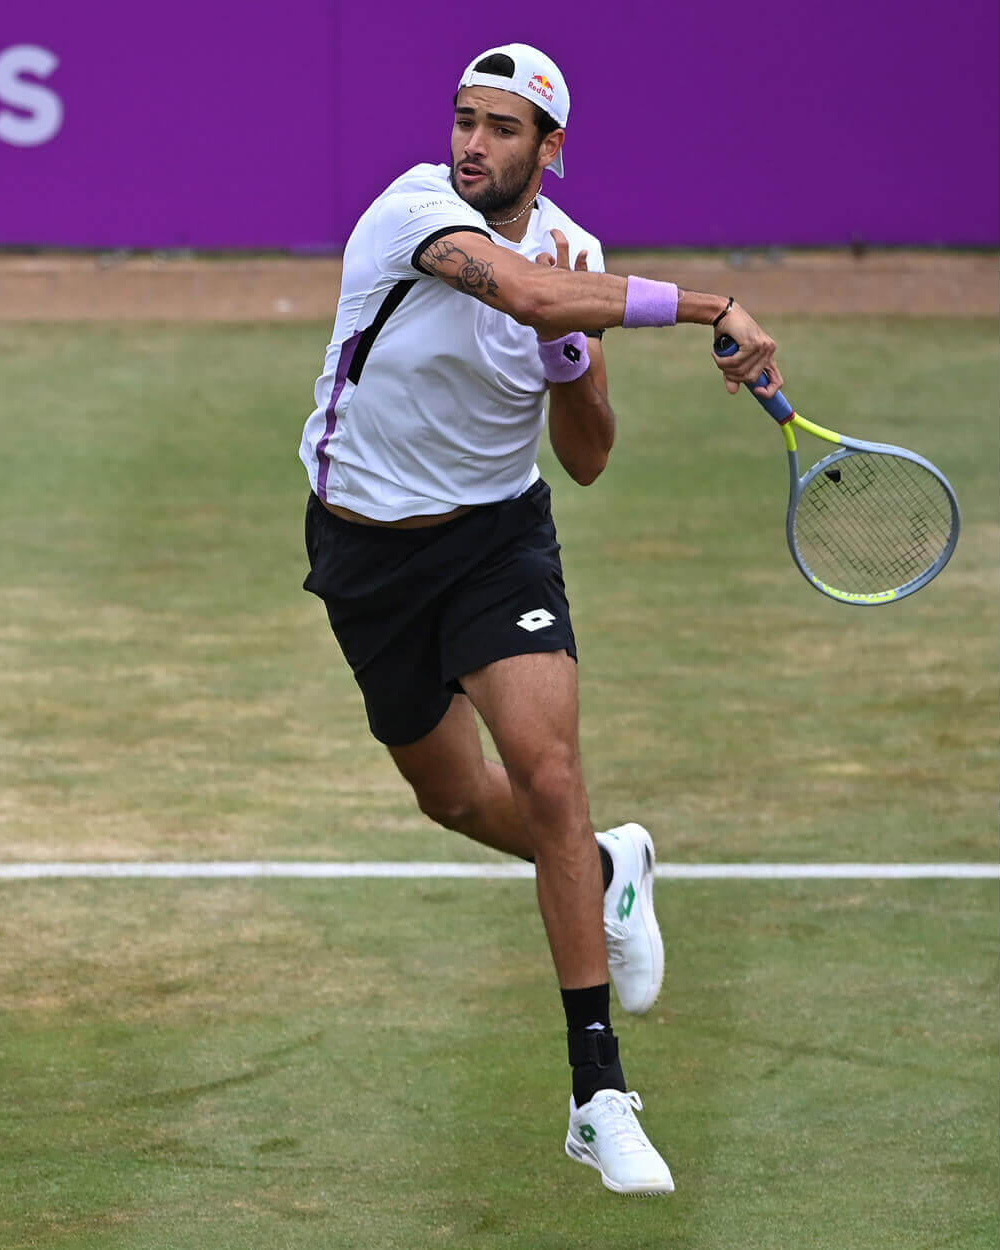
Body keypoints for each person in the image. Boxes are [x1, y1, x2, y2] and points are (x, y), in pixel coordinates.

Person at [298, 42, 782, 1196]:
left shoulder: (580, 261)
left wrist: (573, 364)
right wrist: (710, 303)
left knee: (550, 775)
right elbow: (511, 290)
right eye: (466, 118)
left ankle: (596, 1091)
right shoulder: (410, 209)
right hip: (364, 547)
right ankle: (612, 865)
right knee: (456, 795)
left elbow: (586, 458)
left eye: (502, 127)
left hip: (494, 541)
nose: (474, 142)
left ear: (547, 149)